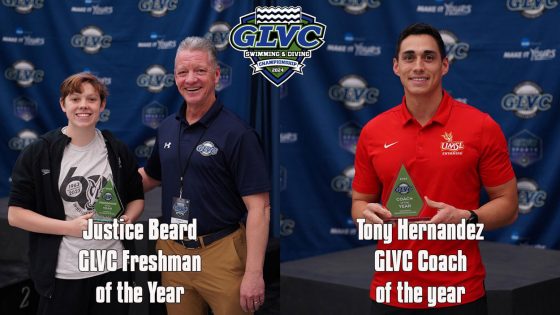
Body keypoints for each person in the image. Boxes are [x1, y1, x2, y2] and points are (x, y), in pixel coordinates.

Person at [351, 23, 518, 314]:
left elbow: (509, 204)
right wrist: (365, 216)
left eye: (428, 57)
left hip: (459, 293)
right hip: (392, 291)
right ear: (395, 66)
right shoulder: (373, 132)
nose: (418, 66)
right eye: (409, 57)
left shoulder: (481, 127)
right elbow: (359, 203)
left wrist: (467, 218)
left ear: (444, 66)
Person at [139, 36, 271, 315]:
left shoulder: (238, 134)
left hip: (221, 253)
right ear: (174, 77)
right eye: (183, 72)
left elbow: (259, 208)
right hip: (173, 252)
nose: (191, 79)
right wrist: (106, 184)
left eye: (199, 70)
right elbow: (150, 177)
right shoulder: (166, 127)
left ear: (216, 75)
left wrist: (254, 273)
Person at [8, 72, 144, 315]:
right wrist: (69, 228)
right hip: (63, 274)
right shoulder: (39, 152)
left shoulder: (117, 150)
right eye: (75, 99)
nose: (83, 105)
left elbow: (136, 197)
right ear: (63, 104)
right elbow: (15, 215)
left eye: (92, 99)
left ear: (102, 105)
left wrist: (128, 219)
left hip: (113, 270)